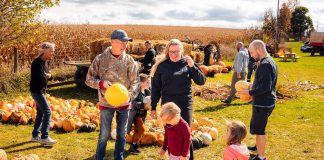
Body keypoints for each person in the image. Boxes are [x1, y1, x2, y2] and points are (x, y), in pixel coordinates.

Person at [85, 29, 139, 160]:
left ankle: (118, 158)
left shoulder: (129, 61)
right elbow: (88, 79)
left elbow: (135, 82)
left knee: (121, 134)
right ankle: (99, 157)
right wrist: (101, 84)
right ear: (112, 42)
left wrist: (129, 96)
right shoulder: (100, 59)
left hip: (124, 104)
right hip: (106, 103)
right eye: (122, 42)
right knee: (104, 134)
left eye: (126, 42)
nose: (125, 45)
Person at [150, 39, 206, 160]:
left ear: (182, 50)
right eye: (171, 52)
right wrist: (153, 107)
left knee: (185, 134)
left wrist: (192, 67)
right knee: (172, 135)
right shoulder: (162, 66)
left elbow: (201, 81)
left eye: (176, 51)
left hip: (185, 103)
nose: (174, 54)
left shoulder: (187, 63)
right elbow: (155, 88)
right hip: (168, 105)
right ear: (167, 52)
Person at [238, 40, 278, 160]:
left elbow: (266, 87)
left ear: (259, 50)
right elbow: (264, 82)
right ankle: (257, 146)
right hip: (267, 101)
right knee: (257, 125)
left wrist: (249, 92)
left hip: (263, 103)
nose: (251, 55)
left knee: (260, 130)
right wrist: (251, 85)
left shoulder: (265, 64)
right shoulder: (269, 61)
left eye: (251, 52)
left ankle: (261, 156)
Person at [30, 42, 57, 146]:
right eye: (51, 51)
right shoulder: (37, 62)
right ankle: (44, 137)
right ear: (44, 51)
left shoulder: (45, 62)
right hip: (37, 91)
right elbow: (42, 78)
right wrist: (47, 76)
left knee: (41, 113)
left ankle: (35, 135)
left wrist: (48, 75)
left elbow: (49, 76)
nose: (52, 53)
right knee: (48, 112)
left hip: (40, 90)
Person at [126, 74, 151, 154]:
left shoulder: (147, 92)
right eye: (147, 82)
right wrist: (142, 105)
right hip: (136, 114)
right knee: (142, 129)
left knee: (138, 131)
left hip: (143, 114)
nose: (149, 84)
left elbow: (149, 102)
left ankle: (133, 146)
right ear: (141, 83)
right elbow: (132, 103)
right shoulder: (136, 92)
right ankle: (133, 145)